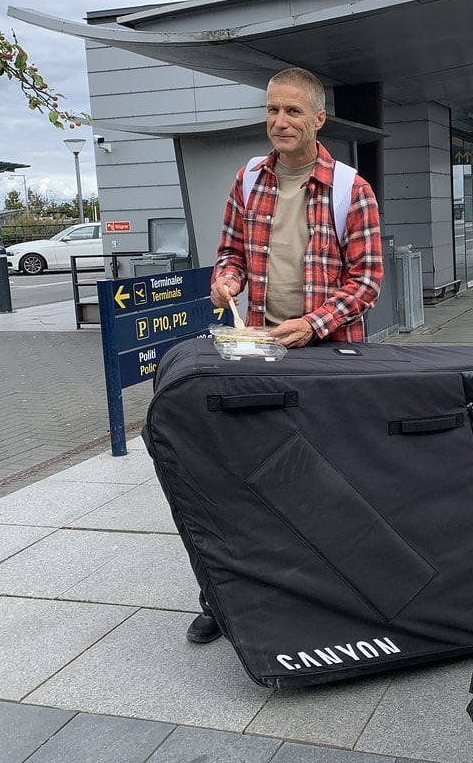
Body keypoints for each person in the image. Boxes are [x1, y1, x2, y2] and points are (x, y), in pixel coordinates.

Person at [186, 67, 384, 644]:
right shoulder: (248, 181)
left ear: (319, 119)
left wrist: (312, 324)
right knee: (243, 472)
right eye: (273, 110)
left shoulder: (352, 189)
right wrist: (226, 280)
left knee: (328, 478)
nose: (280, 122)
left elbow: (367, 282)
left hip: (329, 358)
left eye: (293, 111)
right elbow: (230, 254)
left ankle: (328, 589)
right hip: (260, 350)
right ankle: (225, 596)